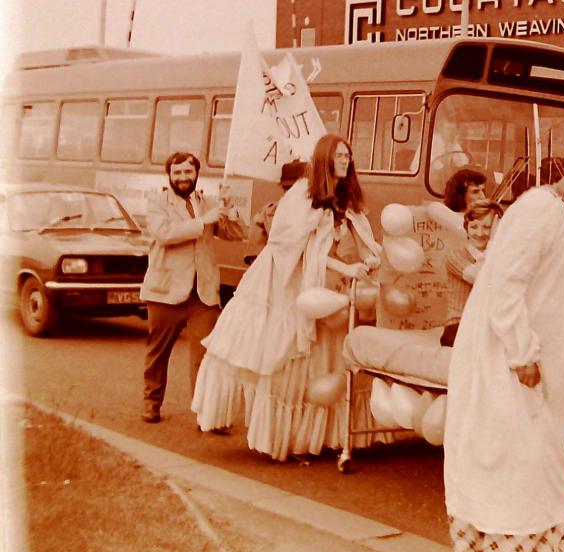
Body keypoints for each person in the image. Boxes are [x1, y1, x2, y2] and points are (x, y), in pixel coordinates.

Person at [444, 127, 564, 552]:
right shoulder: (540, 209)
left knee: (541, 462)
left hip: (547, 355)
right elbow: (505, 286)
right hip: (505, 355)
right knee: (509, 461)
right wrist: (522, 353)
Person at [191, 135, 386, 462]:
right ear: (325, 158)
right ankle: (287, 440)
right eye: (339, 155)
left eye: (348, 156)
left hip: (330, 287)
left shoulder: (347, 198)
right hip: (290, 284)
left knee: (327, 359)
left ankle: (327, 436)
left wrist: (371, 261)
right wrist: (343, 266)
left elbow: (361, 236)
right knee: (289, 357)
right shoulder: (303, 196)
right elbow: (291, 247)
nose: (345, 160)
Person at [140, 151, 246, 424]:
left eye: (188, 172)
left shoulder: (208, 203)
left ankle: (204, 413)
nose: (183, 178)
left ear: (196, 174)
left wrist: (229, 209)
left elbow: (237, 235)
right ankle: (151, 402)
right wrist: (204, 220)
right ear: (169, 176)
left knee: (205, 355)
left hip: (203, 293)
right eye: (177, 173)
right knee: (158, 352)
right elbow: (165, 234)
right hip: (165, 291)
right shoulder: (157, 202)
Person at [439, 200, 503, 347]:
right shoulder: (455, 256)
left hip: (489, 325)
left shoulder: (501, 257)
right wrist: (493, 241)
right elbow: (482, 277)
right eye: (474, 226)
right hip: (458, 326)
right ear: (466, 228)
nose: (479, 233)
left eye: (487, 227)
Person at [244, 159, 306, 264]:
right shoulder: (267, 213)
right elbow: (255, 255)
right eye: (287, 188)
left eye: (293, 188)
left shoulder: (317, 214)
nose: (290, 192)